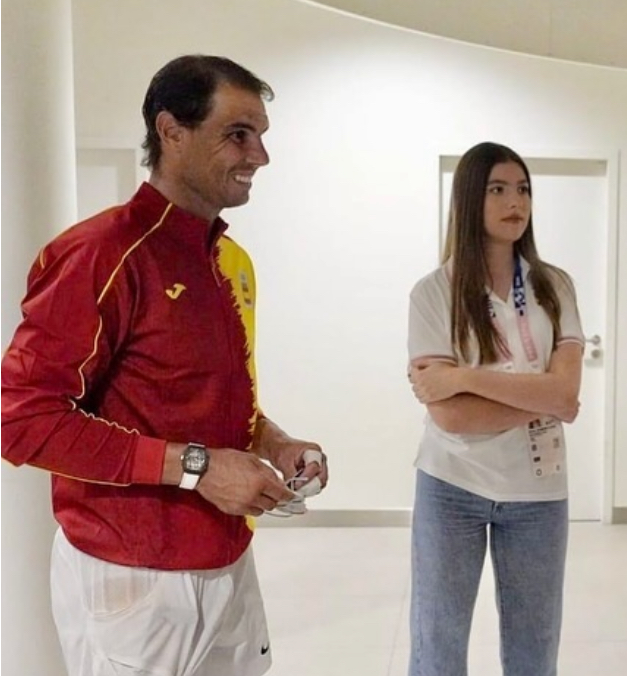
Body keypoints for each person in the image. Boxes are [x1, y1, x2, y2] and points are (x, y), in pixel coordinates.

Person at [1, 55, 329, 676]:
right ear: (171, 130)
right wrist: (197, 468)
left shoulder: (228, 260)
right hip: (133, 575)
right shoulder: (99, 256)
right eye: (239, 134)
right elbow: (22, 421)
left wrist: (274, 441)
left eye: (261, 135)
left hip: (229, 562)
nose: (260, 155)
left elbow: (207, 398)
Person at [406, 141, 585, 676]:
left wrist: (460, 378)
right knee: (438, 646)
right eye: (499, 189)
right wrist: (539, 394)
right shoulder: (433, 293)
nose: (516, 202)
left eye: (524, 189)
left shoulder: (554, 286)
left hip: (538, 491)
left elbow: (566, 397)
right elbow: (452, 417)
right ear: (469, 199)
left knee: (535, 649)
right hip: (451, 484)